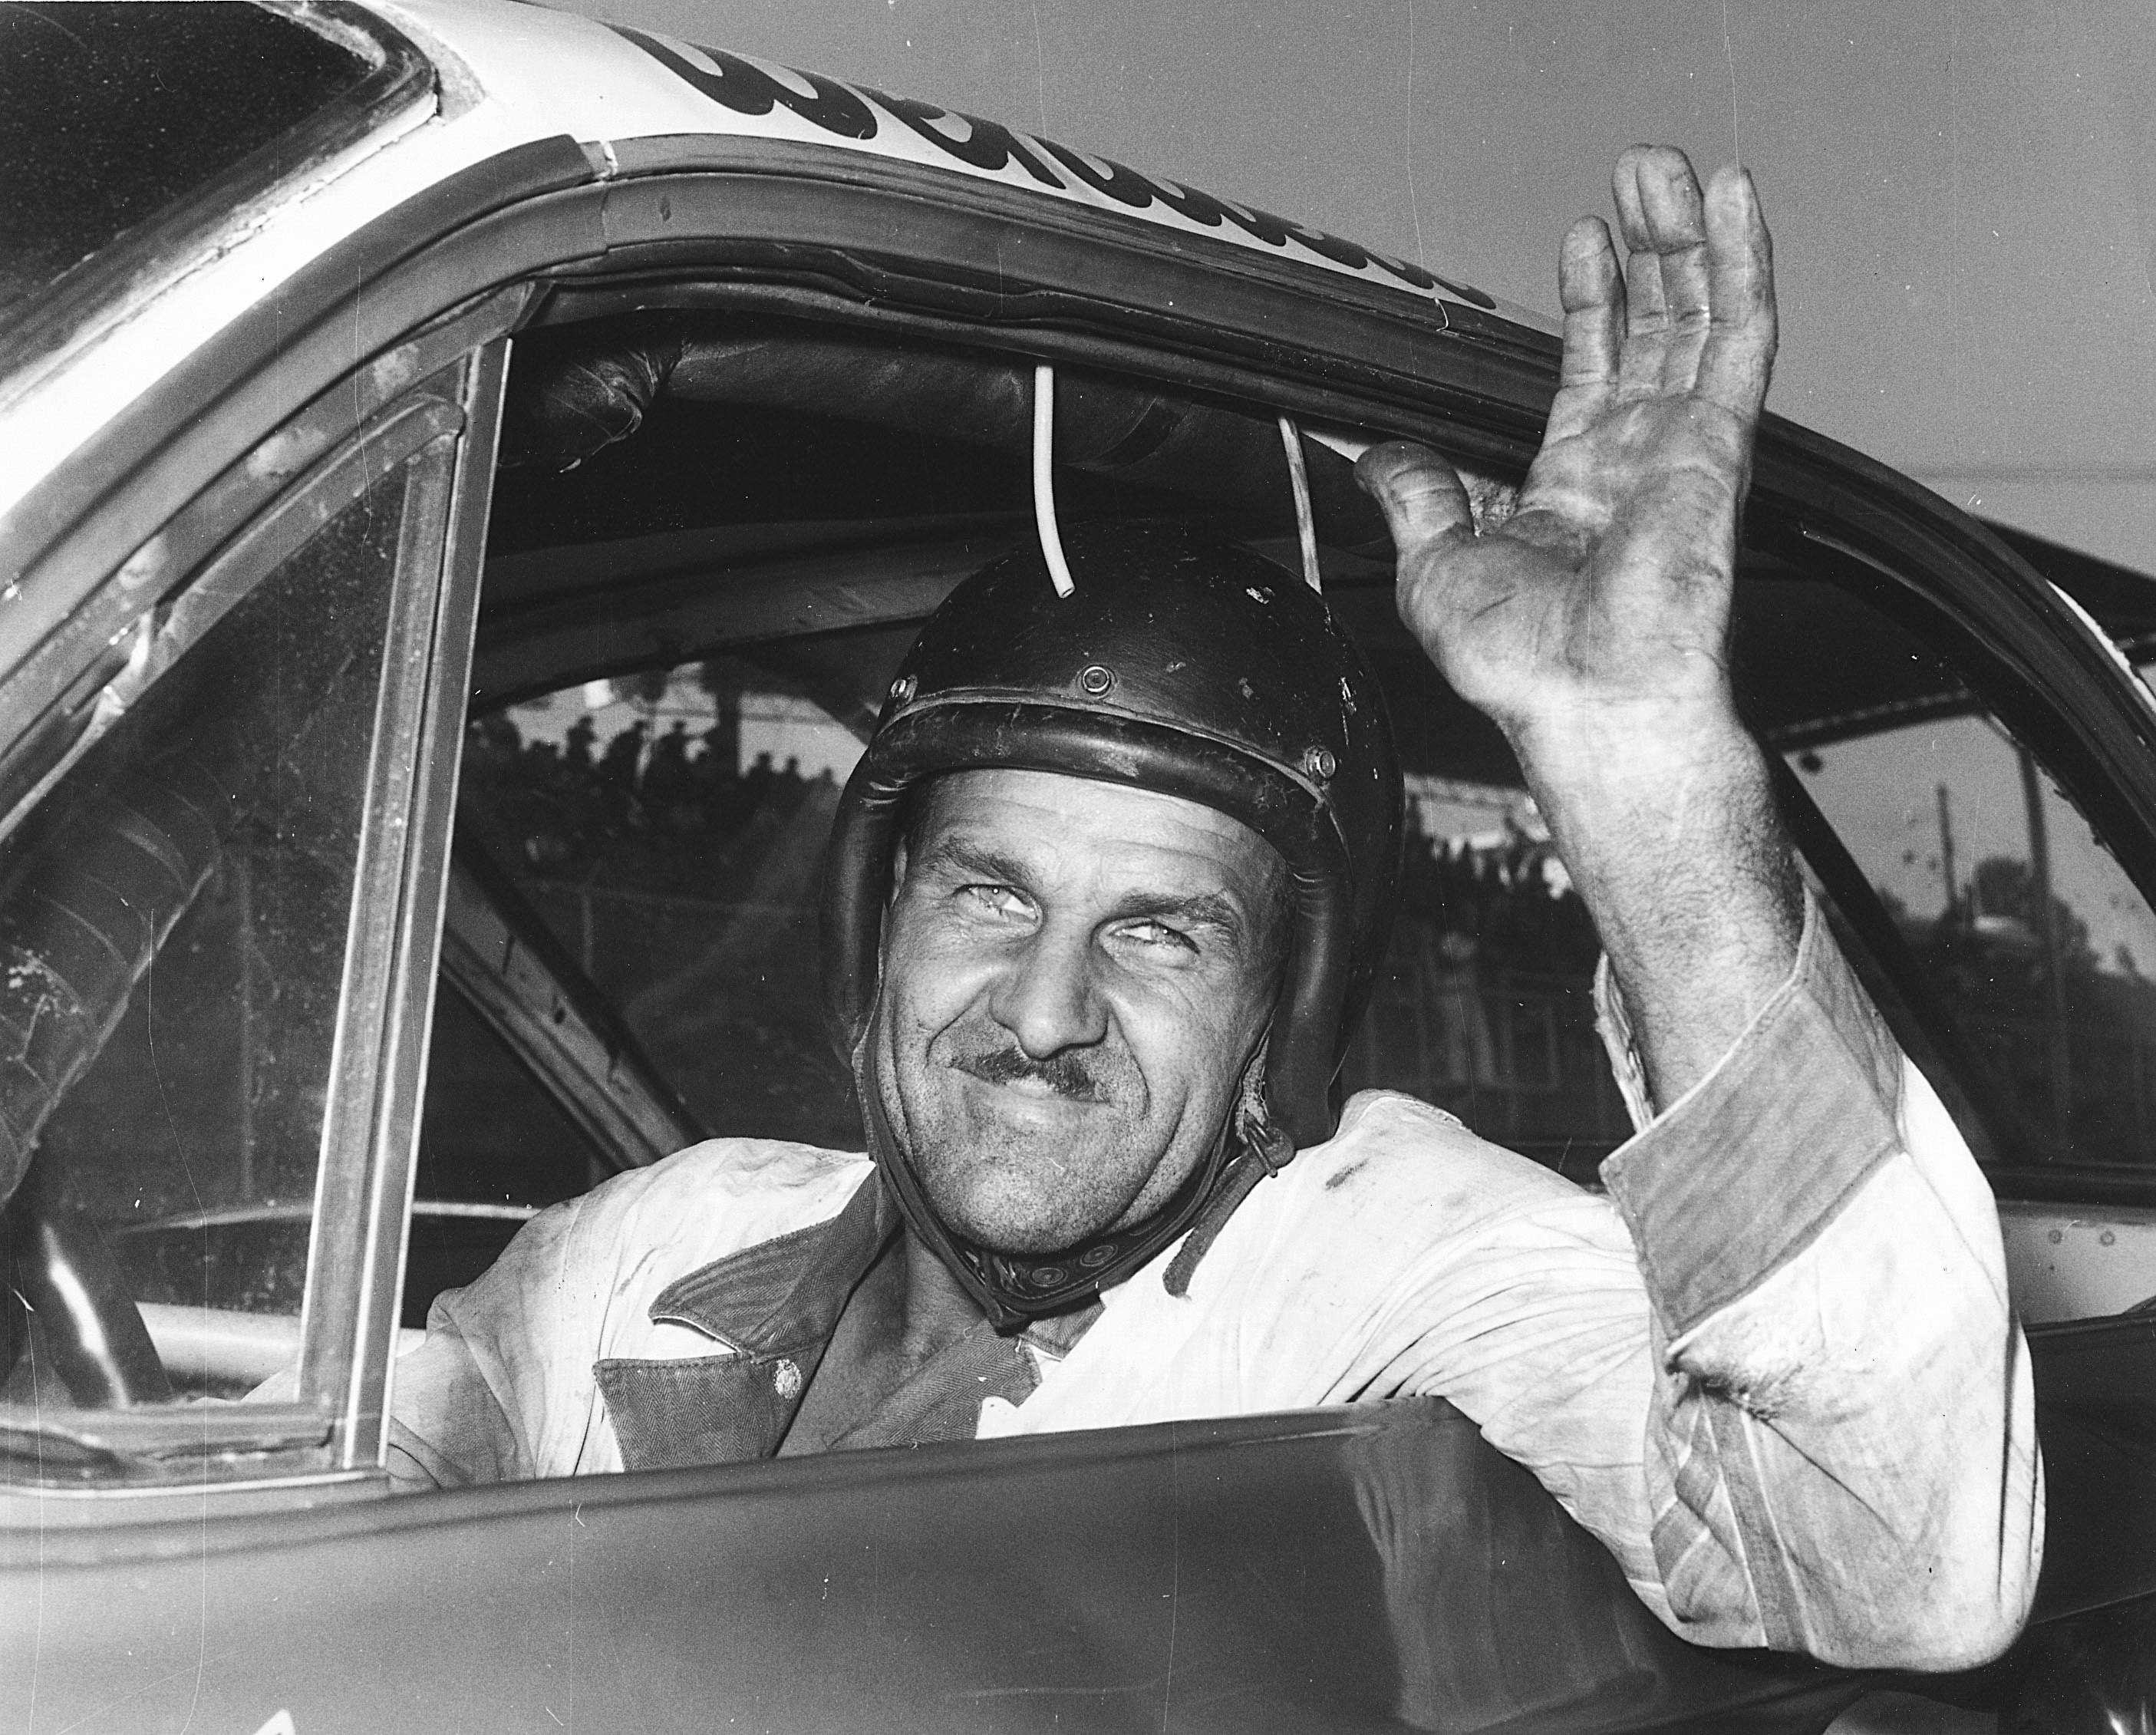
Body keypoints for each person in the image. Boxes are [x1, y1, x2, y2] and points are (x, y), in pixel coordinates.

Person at [389, 148, 2039, 1670]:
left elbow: (1897, 1567)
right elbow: (349, 1483)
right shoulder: (661, 1235)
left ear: (1283, 1013)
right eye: (986, 892)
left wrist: (1635, 758)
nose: (1040, 1013)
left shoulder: (1383, 1249)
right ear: (878, 925)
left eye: (1157, 932)